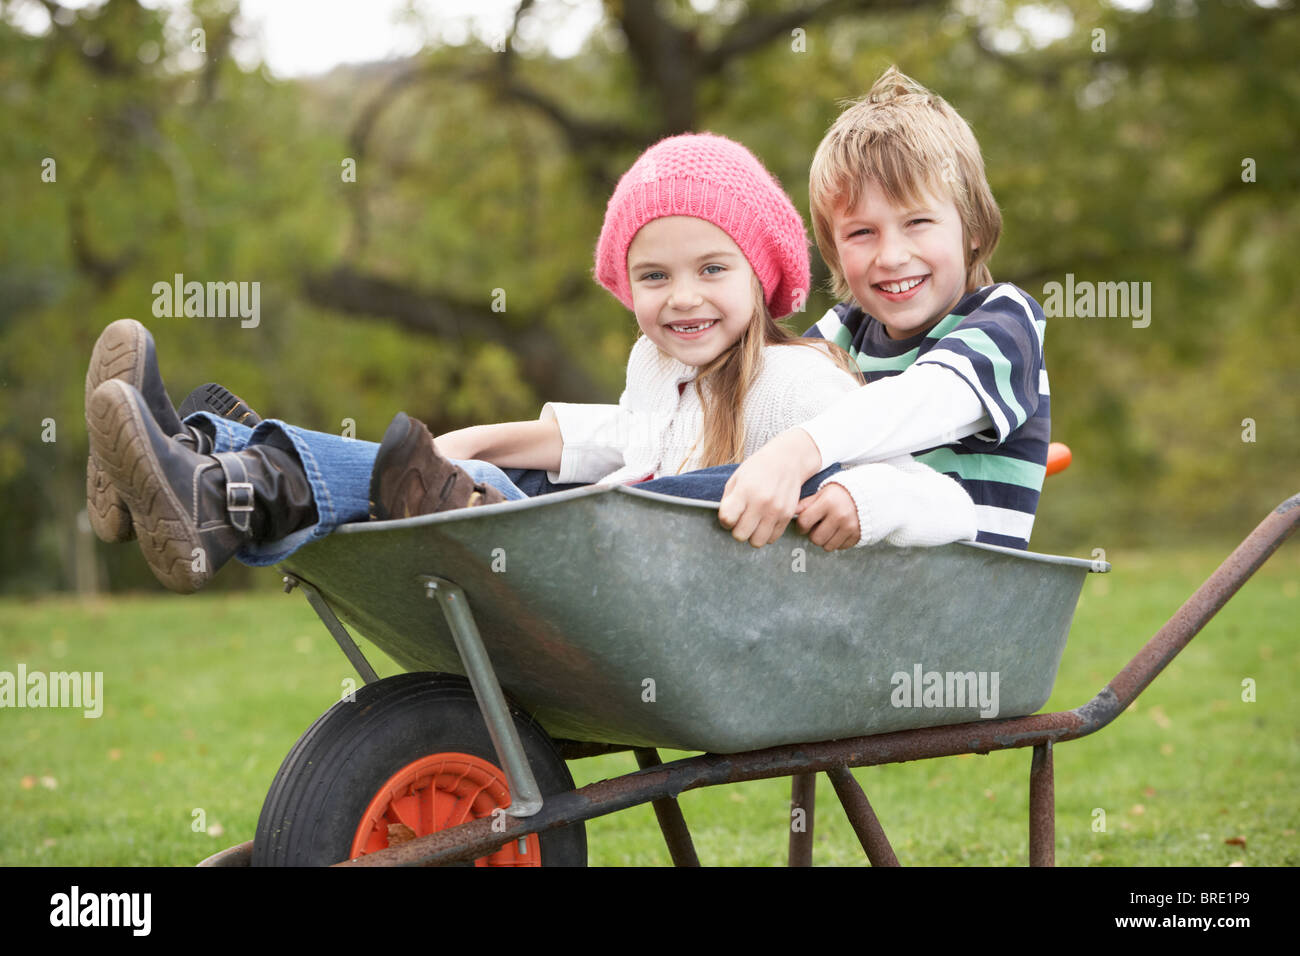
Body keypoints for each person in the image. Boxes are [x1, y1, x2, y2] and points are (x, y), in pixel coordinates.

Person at [86, 132, 976, 595]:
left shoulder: (799, 385)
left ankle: (224, 483)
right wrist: (473, 440)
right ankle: (207, 465)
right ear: (625, 286)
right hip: (624, 585)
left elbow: (947, 502)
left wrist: (860, 498)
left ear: (764, 276)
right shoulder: (657, 371)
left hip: (658, 609)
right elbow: (605, 439)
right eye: (653, 276)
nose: (682, 298)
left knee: (468, 497)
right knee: (445, 475)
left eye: (713, 270)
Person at [716, 66, 1051, 552]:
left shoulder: (1005, 323)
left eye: (917, 222)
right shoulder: (841, 332)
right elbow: (753, 398)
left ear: (973, 228)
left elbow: (925, 401)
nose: (891, 255)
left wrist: (798, 452)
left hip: (956, 599)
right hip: (847, 595)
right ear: (834, 247)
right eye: (861, 232)